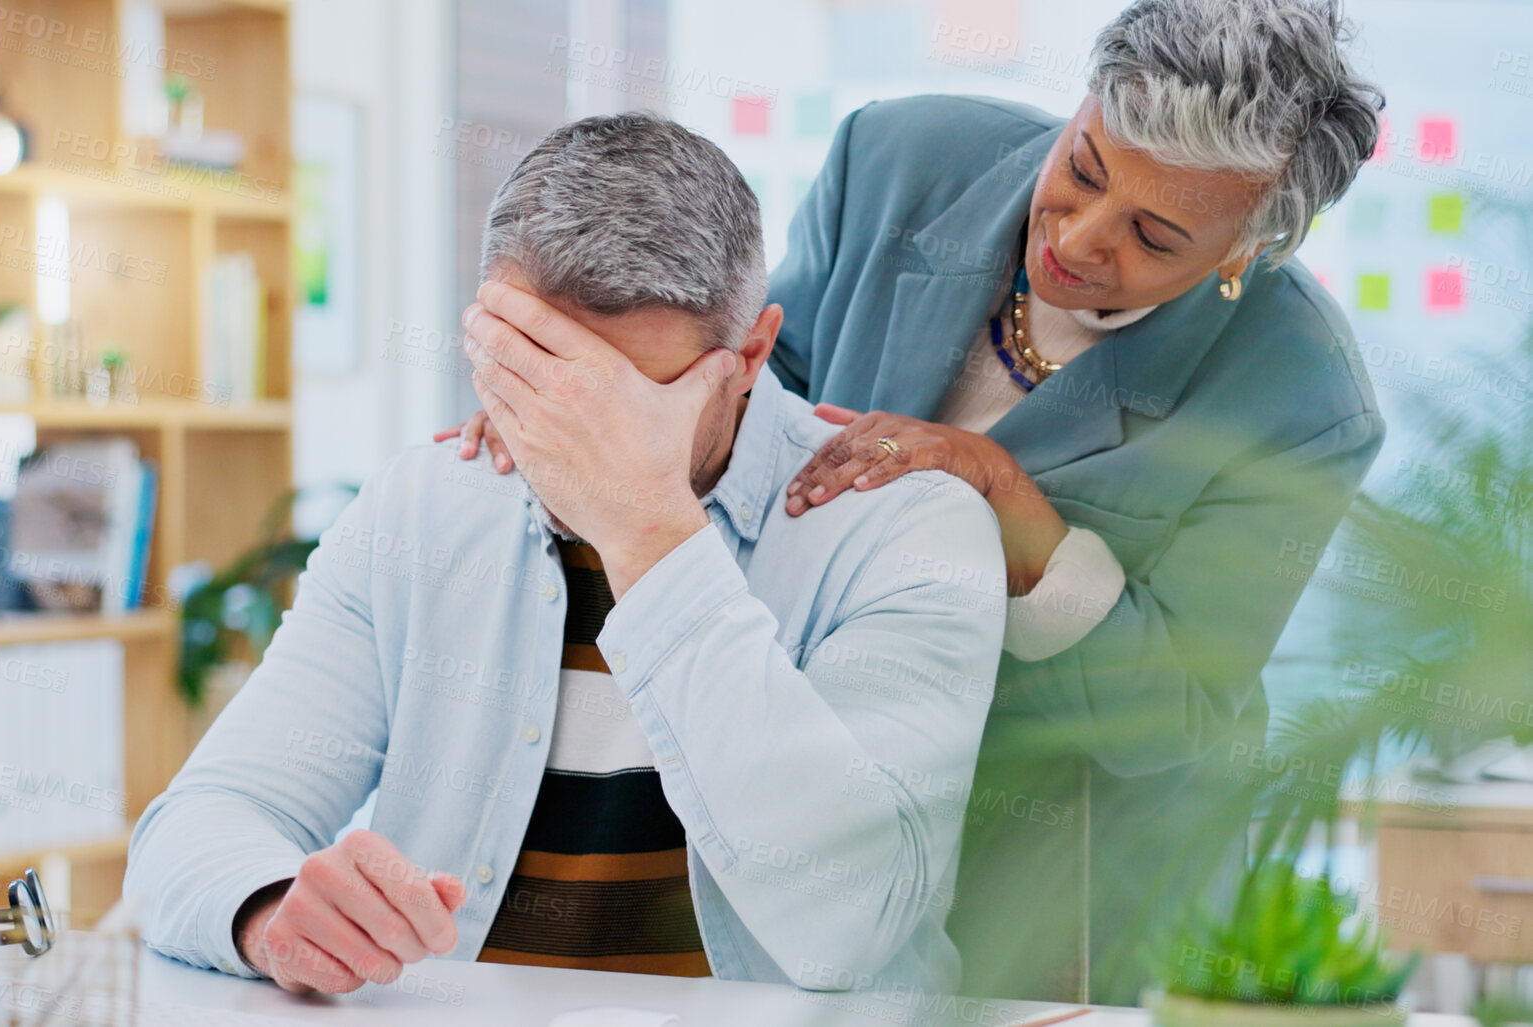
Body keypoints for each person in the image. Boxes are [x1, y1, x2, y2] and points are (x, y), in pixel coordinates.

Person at [438, 0, 1386, 1002]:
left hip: (1068, 876)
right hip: (823, 807)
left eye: (1154, 235)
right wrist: (588, 408)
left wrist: (1004, 497)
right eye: (1085, 166)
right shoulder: (897, 159)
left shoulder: (1303, 399)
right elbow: (750, 396)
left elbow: (1179, 717)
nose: (1078, 236)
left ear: (1248, 250)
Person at [126, 112, 1007, 997]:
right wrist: (272, 908)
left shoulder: (907, 529)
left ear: (749, 354)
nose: (568, 431)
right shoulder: (427, 505)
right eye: (534, 373)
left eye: (627, 398)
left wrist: (647, 532)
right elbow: (202, 821)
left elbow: (846, 926)